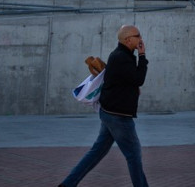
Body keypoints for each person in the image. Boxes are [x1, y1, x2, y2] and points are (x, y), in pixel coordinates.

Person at [59, 24, 150, 187]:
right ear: (128, 39)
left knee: (96, 153)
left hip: (109, 113)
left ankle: (67, 184)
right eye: (138, 36)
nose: (141, 39)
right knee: (134, 156)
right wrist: (142, 55)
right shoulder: (122, 57)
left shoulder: (121, 55)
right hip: (119, 117)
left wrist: (133, 88)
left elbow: (126, 80)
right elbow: (139, 78)